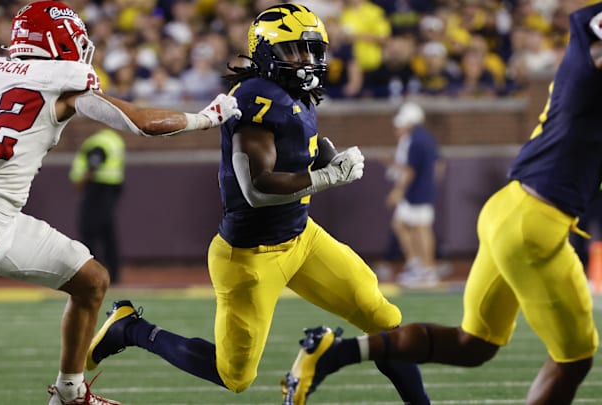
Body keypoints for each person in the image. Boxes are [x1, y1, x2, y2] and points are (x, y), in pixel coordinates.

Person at [0, 2, 240, 405]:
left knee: (91, 281)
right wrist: (207, 118)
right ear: (54, 42)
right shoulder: (63, 79)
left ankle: (70, 393)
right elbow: (140, 122)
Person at [85, 4, 429, 405]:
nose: (308, 60)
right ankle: (131, 329)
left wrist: (330, 156)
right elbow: (258, 188)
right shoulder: (254, 99)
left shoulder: (293, 92)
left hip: (302, 239)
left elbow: (303, 142)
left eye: (311, 49)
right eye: (296, 50)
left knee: (384, 319)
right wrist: (329, 176)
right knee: (234, 376)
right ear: (267, 52)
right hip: (250, 257)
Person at [282, 3, 602, 404]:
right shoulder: (588, 68)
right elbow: (586, 21)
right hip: (536, 224)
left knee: (474, 345)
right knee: (574, 360)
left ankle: (336, 352)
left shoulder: (581, 64)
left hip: (509, 207)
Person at [384, 101, 442, 287]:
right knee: (402, 224)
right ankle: (419, 266)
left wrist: (397, 192)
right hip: (422, 189)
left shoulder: (416, 140)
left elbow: (410, 171)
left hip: (417, 191)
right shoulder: (425, 138)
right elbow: (438, 165)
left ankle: (427, 269)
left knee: (421, 228)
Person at [69, 128, 126, 285]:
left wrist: (81, 181)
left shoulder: (98, 141)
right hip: (112, 190)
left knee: (88, 232)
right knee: (108, 234)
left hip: (96, 189)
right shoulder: (115, 140)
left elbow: (94, 162)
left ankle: (91, 274)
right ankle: (113, 275)